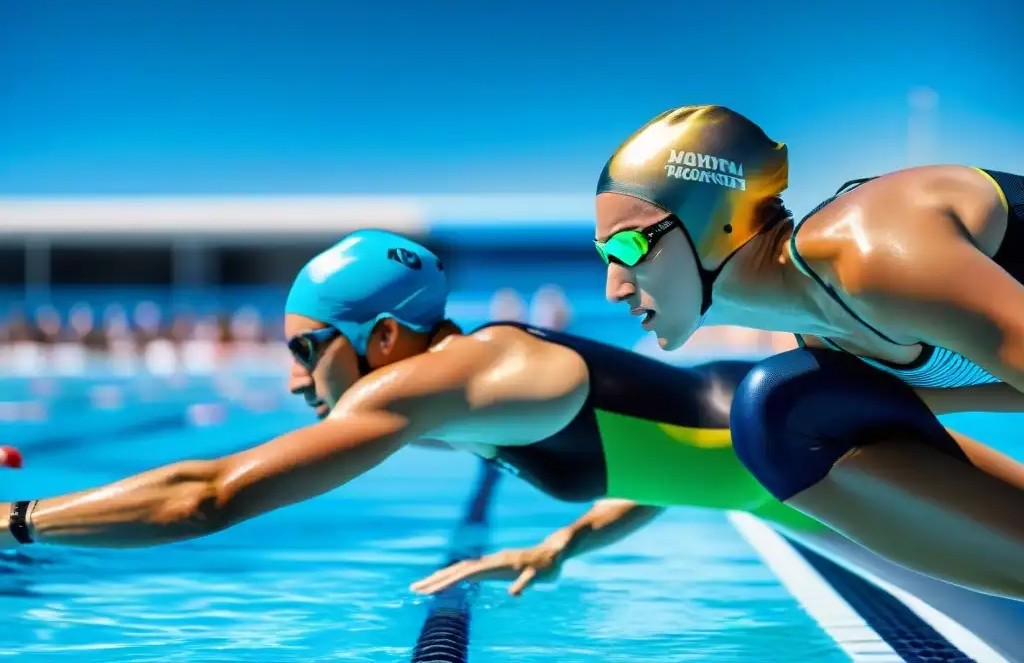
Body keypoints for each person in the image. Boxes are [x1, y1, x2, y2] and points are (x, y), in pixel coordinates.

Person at [2, 229, 1023, 603]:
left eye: (308, 348)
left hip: (816, 443)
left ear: (383, 339)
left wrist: (21, 523)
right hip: (803, 446)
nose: (293, 378)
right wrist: (565, 547)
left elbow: (209, 496)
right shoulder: (472, 379)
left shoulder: (430, 382)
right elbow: (680, 449)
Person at [593, 104, 1024, 597]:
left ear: (714, 221)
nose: (614, 287)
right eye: (604, 256)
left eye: (629, 248)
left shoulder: (873, 253)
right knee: (782, 416)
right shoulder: (826, 334)